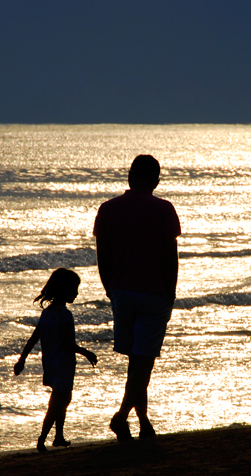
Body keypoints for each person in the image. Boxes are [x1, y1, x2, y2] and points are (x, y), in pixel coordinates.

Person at [94, 154, 181, 441]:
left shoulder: (108, 209)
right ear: (156, 180)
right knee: (142, 363)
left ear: (130, 177)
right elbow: (170, 257)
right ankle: (121, 417)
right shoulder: (164, 209)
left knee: (137, 361)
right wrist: (171, 294)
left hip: (122, 293)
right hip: (154, 292)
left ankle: (143, 422)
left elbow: (102, 257)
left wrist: (111, 289)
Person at [14, 268, 98, 452]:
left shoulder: (47, 313)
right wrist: (86, 353)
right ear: (65, 290)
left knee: (61, 399)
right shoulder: (65, 315)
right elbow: (67, 343)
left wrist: (22, 360)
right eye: (74, 289)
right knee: (58, 402)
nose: (76, 293)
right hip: (64, 364)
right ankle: (42, 438)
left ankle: (58, 436)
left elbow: (33, 338)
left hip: (51, 364)